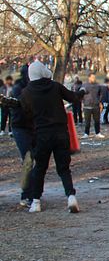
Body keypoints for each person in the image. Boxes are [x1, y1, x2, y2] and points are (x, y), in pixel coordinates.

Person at [19, 61, 80, 213]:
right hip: (60, 132)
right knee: (64, 168)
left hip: (42, 134)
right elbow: (73, 98)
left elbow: (26, 114)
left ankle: (36, 202)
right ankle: (71, 197)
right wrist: (82, 92)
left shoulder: (27, 92)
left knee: (40, 168)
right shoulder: (55, 86)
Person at [4, 65, 35, 206]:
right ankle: (25, 195)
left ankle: (34, 192)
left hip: (34, 126)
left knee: (36, 158)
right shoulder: (18, 89)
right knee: (28, 159)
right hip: (20, 127)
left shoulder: (35, 86)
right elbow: (16, 106)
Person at [79, 73, 105, 138]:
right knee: (87, 121)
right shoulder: (84, 85)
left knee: (97, 120)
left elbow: (101, 94)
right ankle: (86, 133)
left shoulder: (98, 85)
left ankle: (98, 133)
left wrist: (100, 102)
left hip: (96, 105)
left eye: (94, 77)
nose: (94, 79)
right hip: (87, 105)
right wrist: (82, 103)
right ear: (89, 77)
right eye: (92, 77)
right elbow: (80, 94)